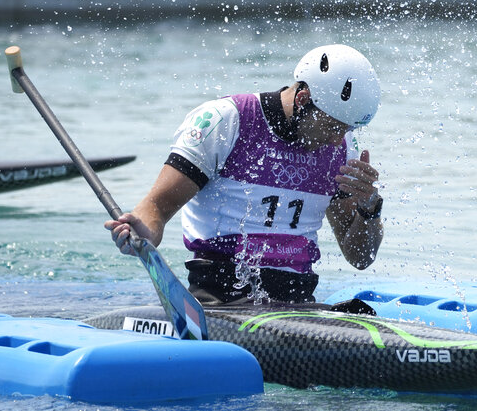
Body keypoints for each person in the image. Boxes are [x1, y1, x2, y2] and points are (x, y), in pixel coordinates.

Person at [104, 44, 384, 305]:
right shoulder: (225, 121)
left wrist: (369, 210)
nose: (338, 142)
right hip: (220, 300)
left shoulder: (343, 149)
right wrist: (143, 233)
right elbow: (155, 207)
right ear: (303, 99)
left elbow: (360, 258)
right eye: (333, 127)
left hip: (297, 304)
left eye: (347, 131)